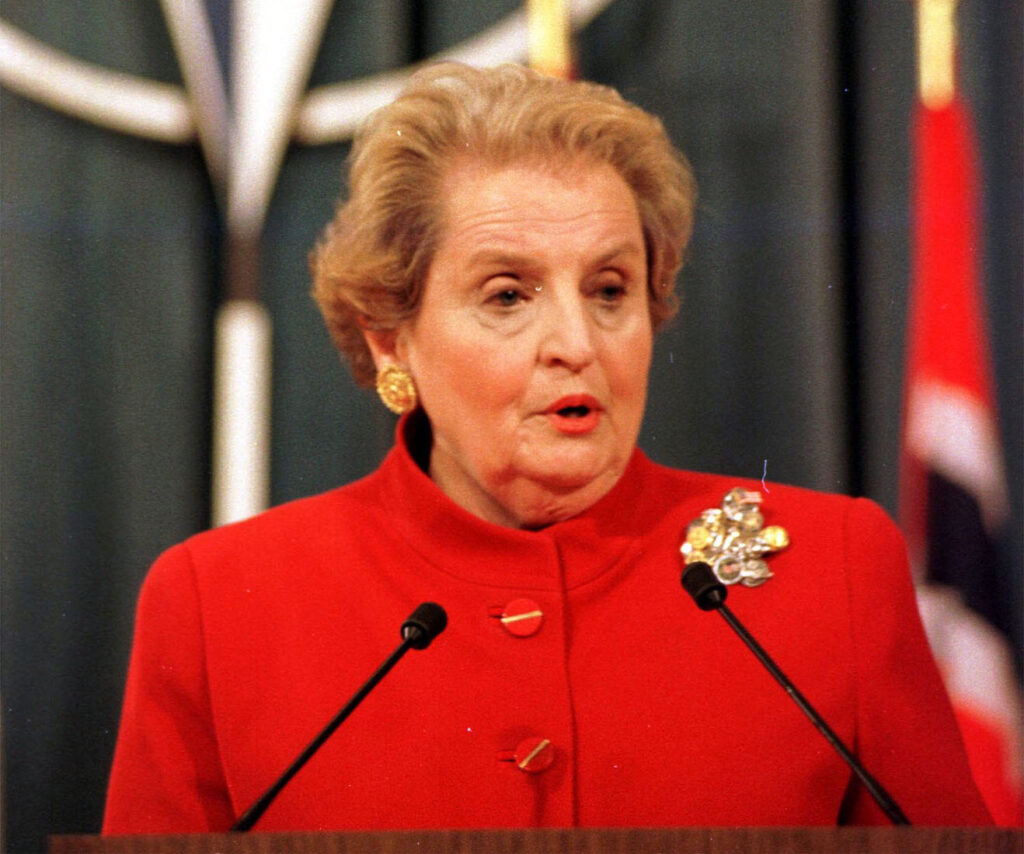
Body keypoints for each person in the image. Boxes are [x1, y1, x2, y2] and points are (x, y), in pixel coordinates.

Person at [103, 62, 990, 832]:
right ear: (390, 341)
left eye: (610, 288)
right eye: (507, 296)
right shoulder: (218, 608)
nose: (577, 340)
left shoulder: (831, 572)